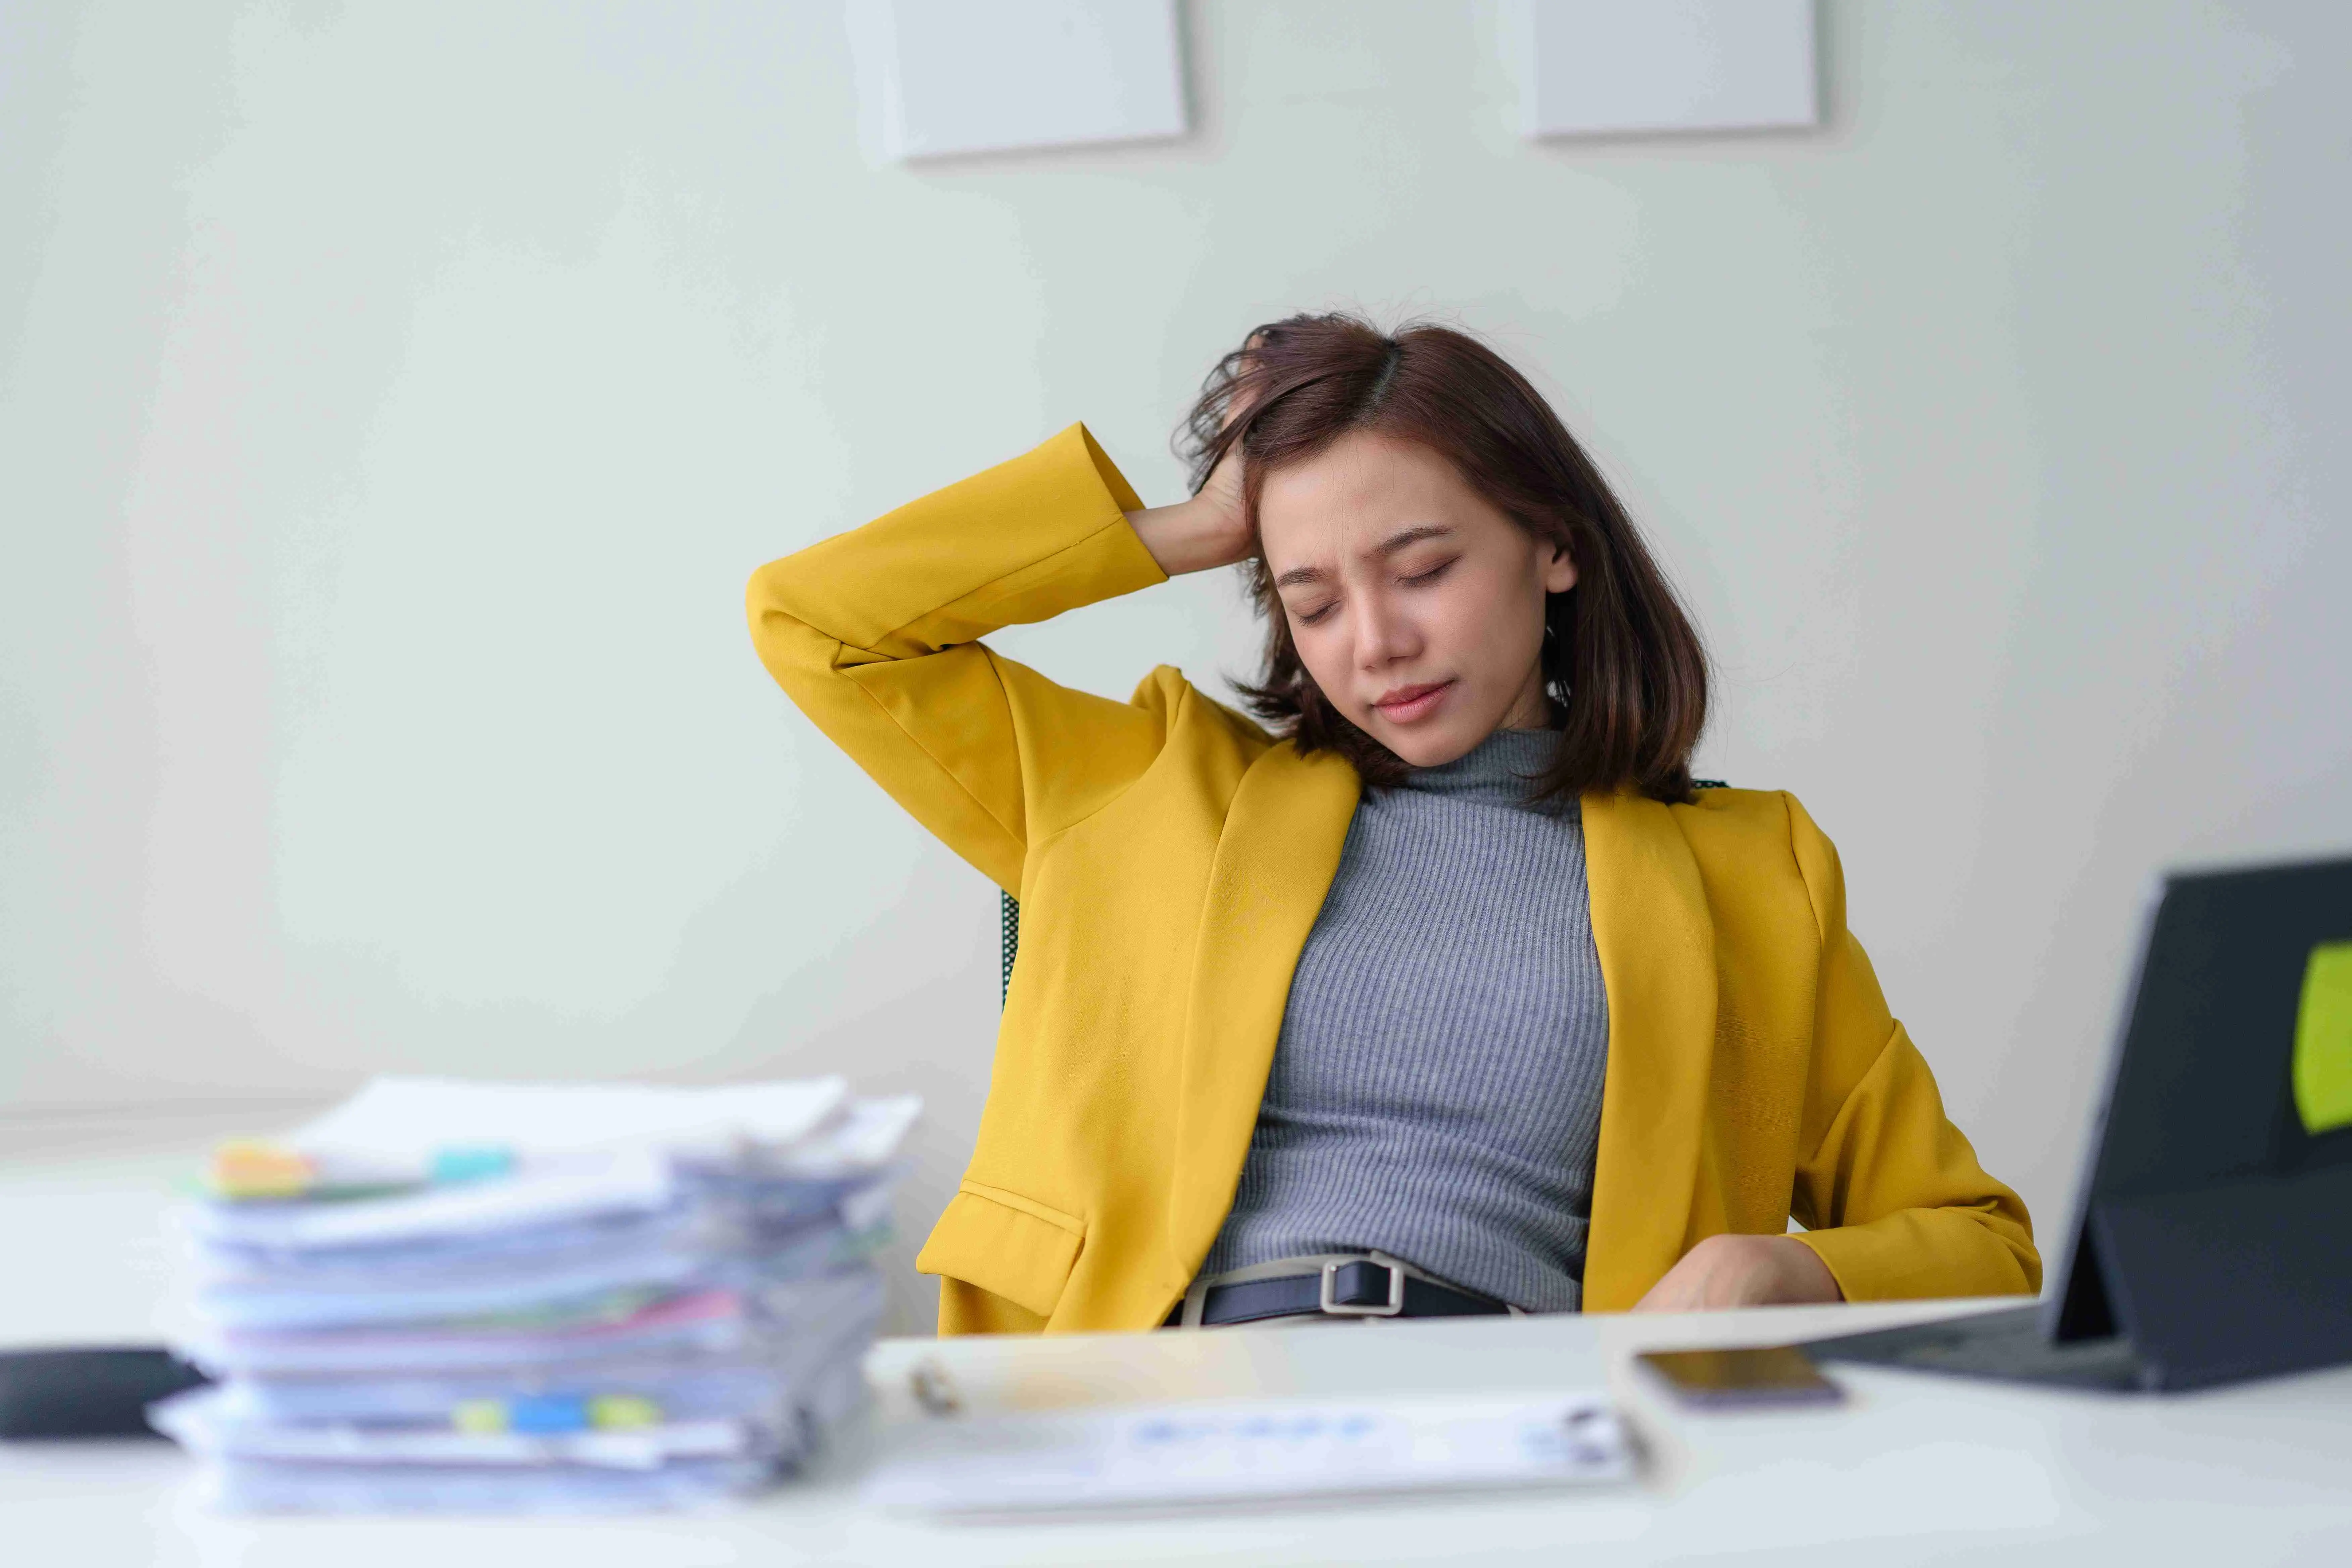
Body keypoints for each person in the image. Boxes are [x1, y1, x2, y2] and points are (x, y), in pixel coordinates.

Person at [746, 313, 2038, 1335]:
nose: (1376, 644)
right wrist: (1192, 525)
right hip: (1156, 1408)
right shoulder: (1144, 789)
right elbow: (821, 627)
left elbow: (1979, 1240)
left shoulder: (1750, 872)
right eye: (1312, 601)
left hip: (1532, 1426)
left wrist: (1779, 1273)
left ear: (1555, 545)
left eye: (1424, 571)